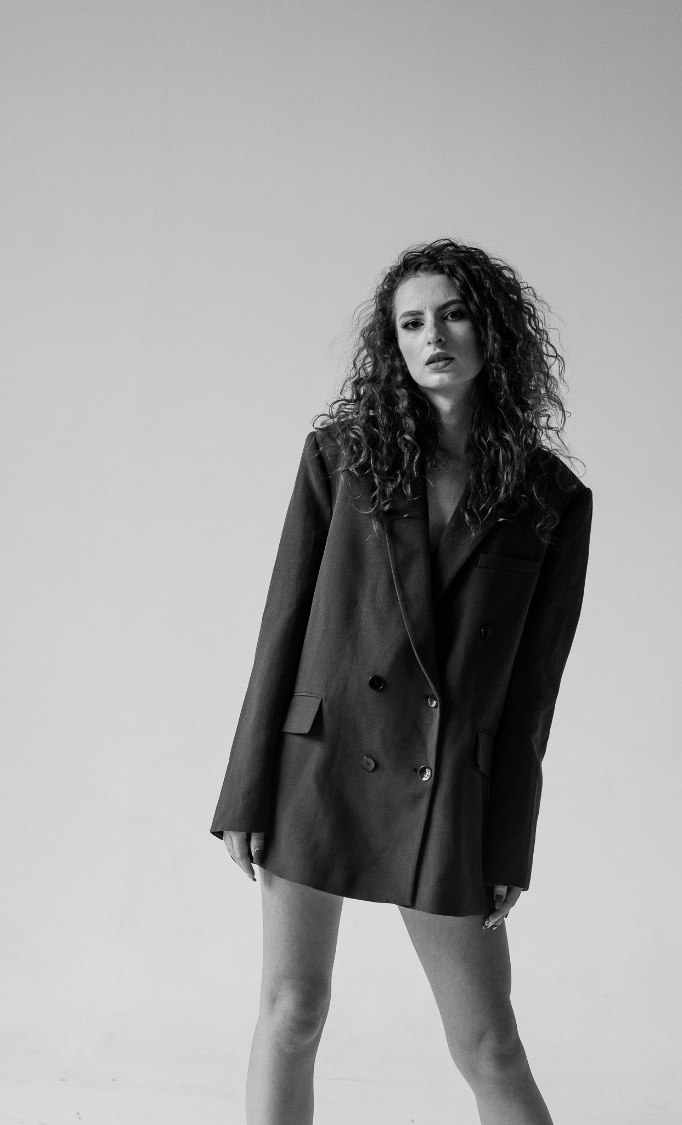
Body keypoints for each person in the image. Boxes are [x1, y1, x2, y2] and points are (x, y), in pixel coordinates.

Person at [210, 238, 592, 1124]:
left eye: (453, 315)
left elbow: (533, 693)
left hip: (447, 781)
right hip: (319, 765)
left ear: (491, 332)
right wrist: (245, 788)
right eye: (411, 322)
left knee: (489, 1043)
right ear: (393, 343)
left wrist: (509, 839)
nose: (433, 336)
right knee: (293, 1009)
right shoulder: (341, 456)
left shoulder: (550, 499)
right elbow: (280, 628)